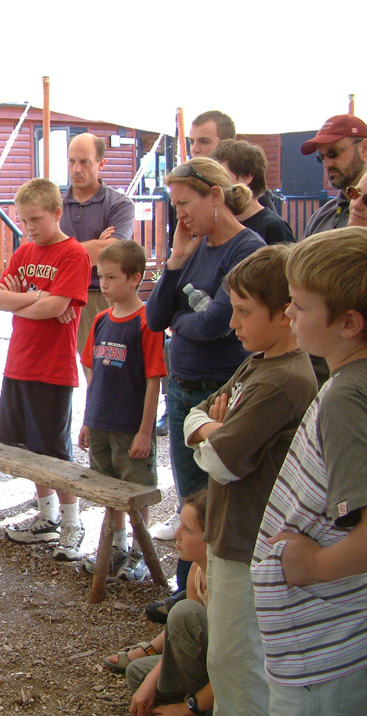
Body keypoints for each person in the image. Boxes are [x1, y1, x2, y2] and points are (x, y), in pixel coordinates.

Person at [182, 246, 317, 716]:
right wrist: (211, 427)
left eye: (243, 312)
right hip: (230, 535)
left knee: (239, 669)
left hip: (250, 544)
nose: (232, 323)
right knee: (230, 658)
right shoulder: (258, 362)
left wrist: (211, 429)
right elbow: (196, 417)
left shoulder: (283, 379)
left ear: (284, 315)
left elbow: (221, 460)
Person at [251, 226, 367, 716]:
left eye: (298, 305)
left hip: (325, 648)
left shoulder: (348, 398)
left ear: (348, 322)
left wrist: (314, 566)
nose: (290, 314)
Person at [144, 157, 264, 601]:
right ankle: (187, 586)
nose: (181, 215)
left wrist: (181, 320)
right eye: (175, 206)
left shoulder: (245, 249)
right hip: (182, 386)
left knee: (215, 494)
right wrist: (175, 260)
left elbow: (217, 321)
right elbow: (156, 317)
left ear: (216, 195)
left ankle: (214, 593)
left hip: (219, 386)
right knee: (189, 492)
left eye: (185, 203)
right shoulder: (192, 249)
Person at [0, 178, 91, 561]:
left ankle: (72, 523)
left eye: (35, 219)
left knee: (54, 452)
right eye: (23, 220)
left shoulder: (73, 254)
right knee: (29, 449)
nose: (30, 227)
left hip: (53, 367)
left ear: (56, 212)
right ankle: (46, 517)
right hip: (19, 361)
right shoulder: (23, 251)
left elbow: (58, 308)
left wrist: (29, 303)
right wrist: (36, 298)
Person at [78, 240, 166, 582]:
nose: (104, 284)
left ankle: (141, 554)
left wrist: (146, 431)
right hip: (101, 422)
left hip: (130, 425)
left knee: (134, 491)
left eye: (112, 277)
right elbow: (91, 372)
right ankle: (116, 547)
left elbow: (153, 380)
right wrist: (87, 420)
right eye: (101, 276)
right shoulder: (100, 320)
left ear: (134, 278)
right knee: (108, 490)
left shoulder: (147, 322)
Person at [117, 492, 214, 716]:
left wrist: (188, 707)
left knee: (183, 612)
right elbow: (177, 637)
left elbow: (234, 667)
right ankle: (203, 704)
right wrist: (150, 682)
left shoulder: (228, 585)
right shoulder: (196, 571)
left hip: (229, 676)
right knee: (138, 674)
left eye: (188, 529)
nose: (177, 533)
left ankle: (208, 711)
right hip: (206, 665)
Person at [61, 133, 136, 356]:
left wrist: (59, 251)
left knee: (105, 373)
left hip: (103, 297)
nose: (76, 169)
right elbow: (39, 253)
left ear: (101, 163)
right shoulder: (54, 204)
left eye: (84, 162)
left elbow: (111, 254)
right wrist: (95, 247)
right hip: (61, 298)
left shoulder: (120, 205)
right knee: (58, 377)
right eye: (72, 161)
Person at [212, 139, 295, 244]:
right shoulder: (219, 225)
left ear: (247, 177)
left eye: (222, 175)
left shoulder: (274, 227)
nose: (215, 183)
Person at [300, 114, 367, 237]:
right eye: (321, 157)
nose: (327, 164)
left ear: (364, 149)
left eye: (333, 153)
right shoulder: (321, 218)